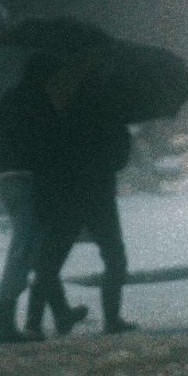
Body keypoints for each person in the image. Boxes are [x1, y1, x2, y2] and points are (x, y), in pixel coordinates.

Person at [22, 31, 137, 339]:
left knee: (50, 258)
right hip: (97, 191)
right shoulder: (108, 104)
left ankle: (34, 322)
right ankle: (112, 318)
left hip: (67, 191)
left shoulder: (59, 102)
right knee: (114, 256)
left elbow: (47, 150)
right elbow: (117, 157)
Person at [0, 50, 89, 343]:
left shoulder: (10, 98)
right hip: (26, 178)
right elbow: (49, 144)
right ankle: (5, 320)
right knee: (26, 248)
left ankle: (56, 312)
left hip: (9, 176)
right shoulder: (38, 101)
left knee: (32, 247)